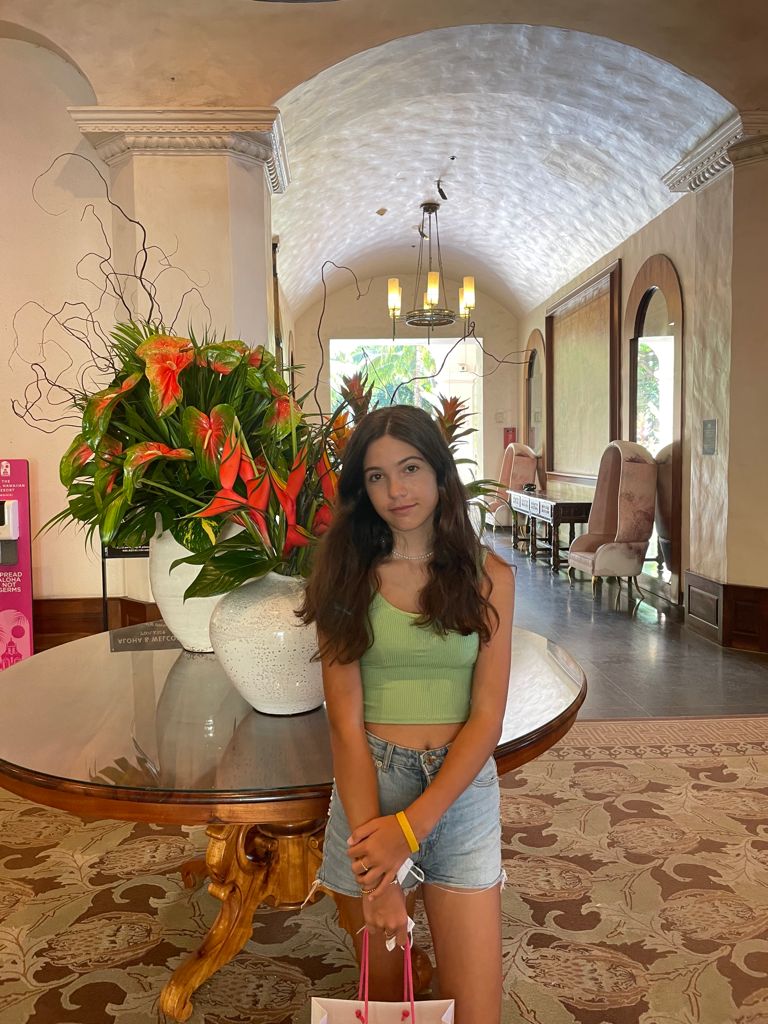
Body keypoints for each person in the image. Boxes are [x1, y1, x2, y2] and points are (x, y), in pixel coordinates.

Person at [299, 404, 515, 1024]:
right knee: (389, 1004)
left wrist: (411, 830)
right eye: (377, 476)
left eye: (411, 468)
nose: (396, 489)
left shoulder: (490, 577)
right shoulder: (347, 576)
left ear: (441, 474)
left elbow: (487, 717)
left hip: (461, 792)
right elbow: (344, 724)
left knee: (478, 1013)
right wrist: (380, 871)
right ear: (361, 489)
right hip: (372, 788)